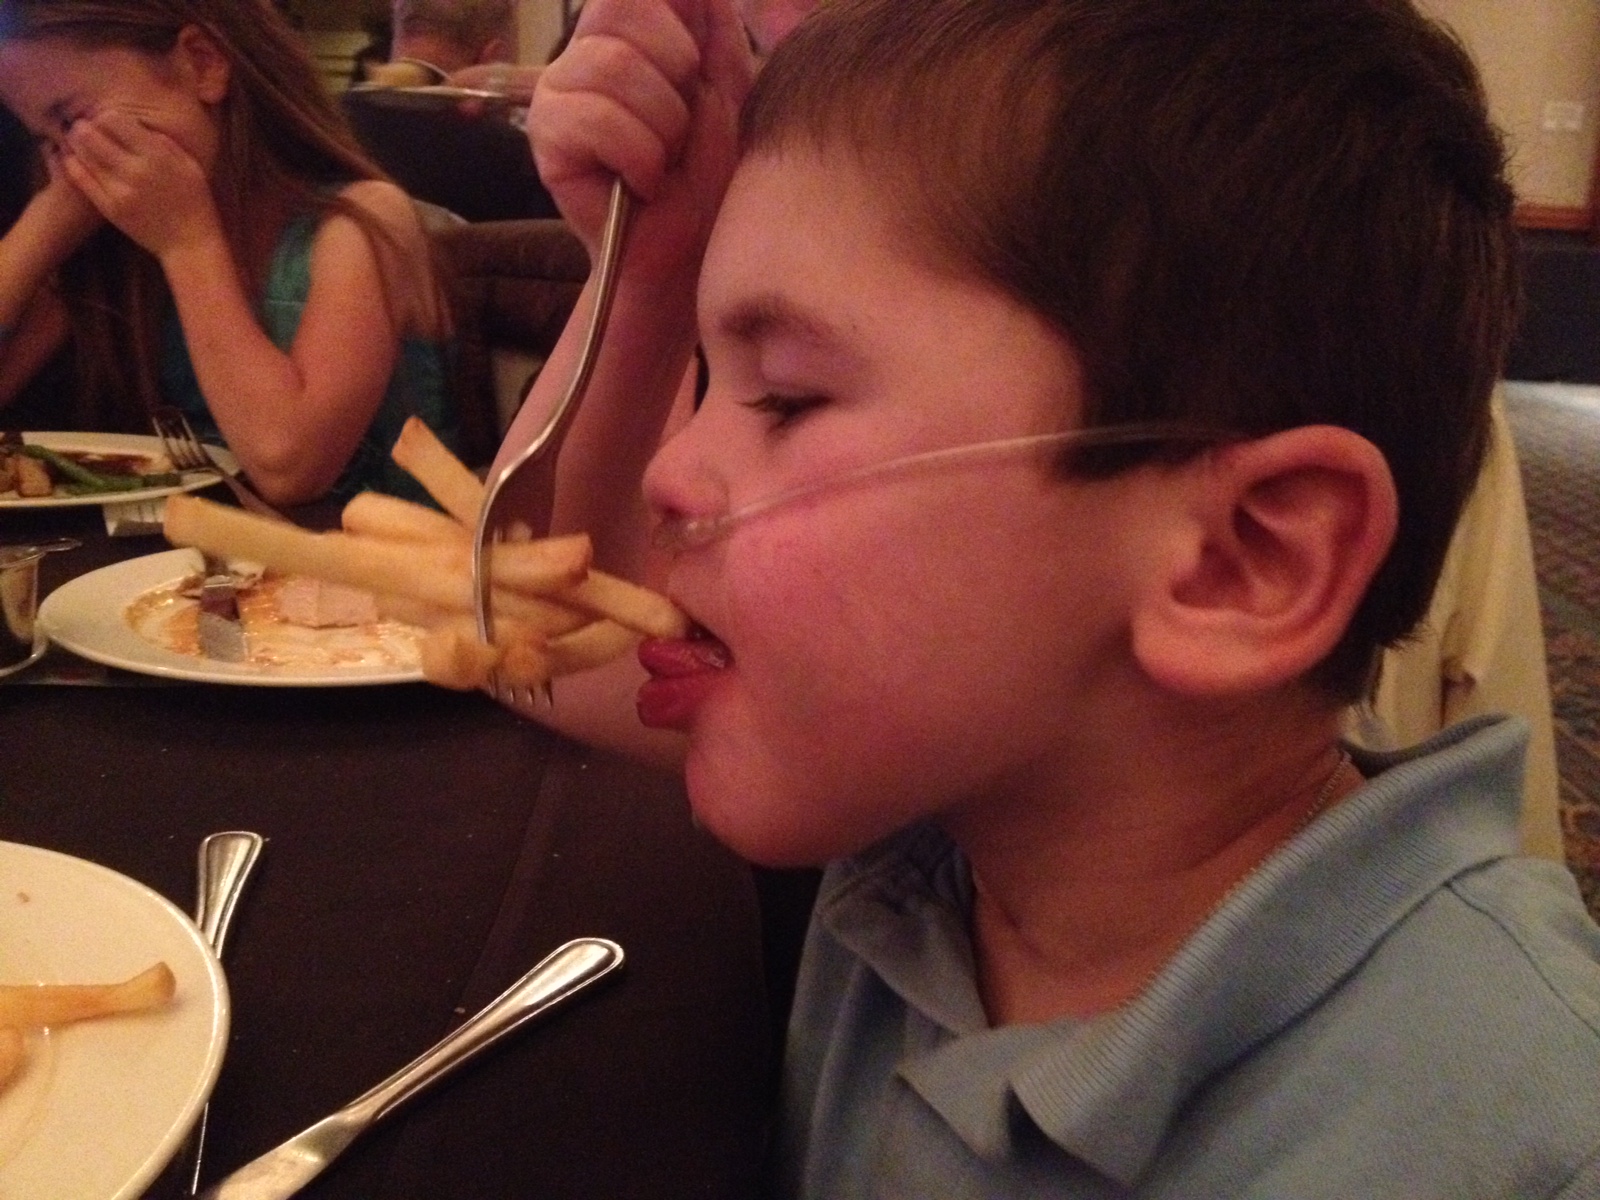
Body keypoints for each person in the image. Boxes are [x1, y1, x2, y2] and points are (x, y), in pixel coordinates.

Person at [488, 0, 1600, 1194]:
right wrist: (645, 282)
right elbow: (542, 639)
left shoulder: (1512, 1143)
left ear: (1237, 562)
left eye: (789, 397)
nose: (671, 471)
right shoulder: (947, 797)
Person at [0, 0, 458, 506]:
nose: (69, 164)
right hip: (191, 553)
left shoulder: (362, 221)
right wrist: (48, 222)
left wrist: (188, 243)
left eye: (71, 120)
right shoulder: (120, 244)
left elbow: (288, 465)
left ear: (202, 63)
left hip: (385, 552)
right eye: (47, 141)